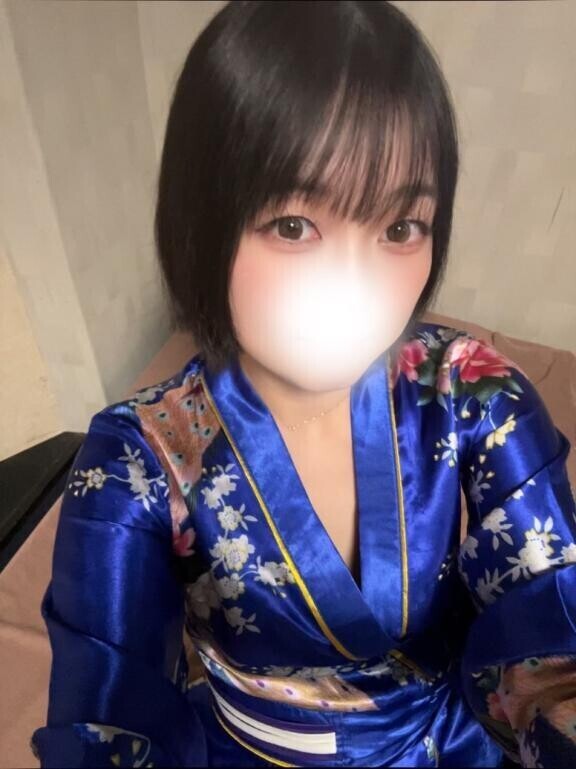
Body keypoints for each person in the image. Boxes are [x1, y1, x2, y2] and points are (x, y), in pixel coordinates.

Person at [31, 1, 576, 767]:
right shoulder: (136, 459)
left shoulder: (475, 395)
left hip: (443, 746)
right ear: (205, 221)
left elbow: (551, 640)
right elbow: (105, 724)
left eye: (400, 228)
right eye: (293, 225)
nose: (355, 283)